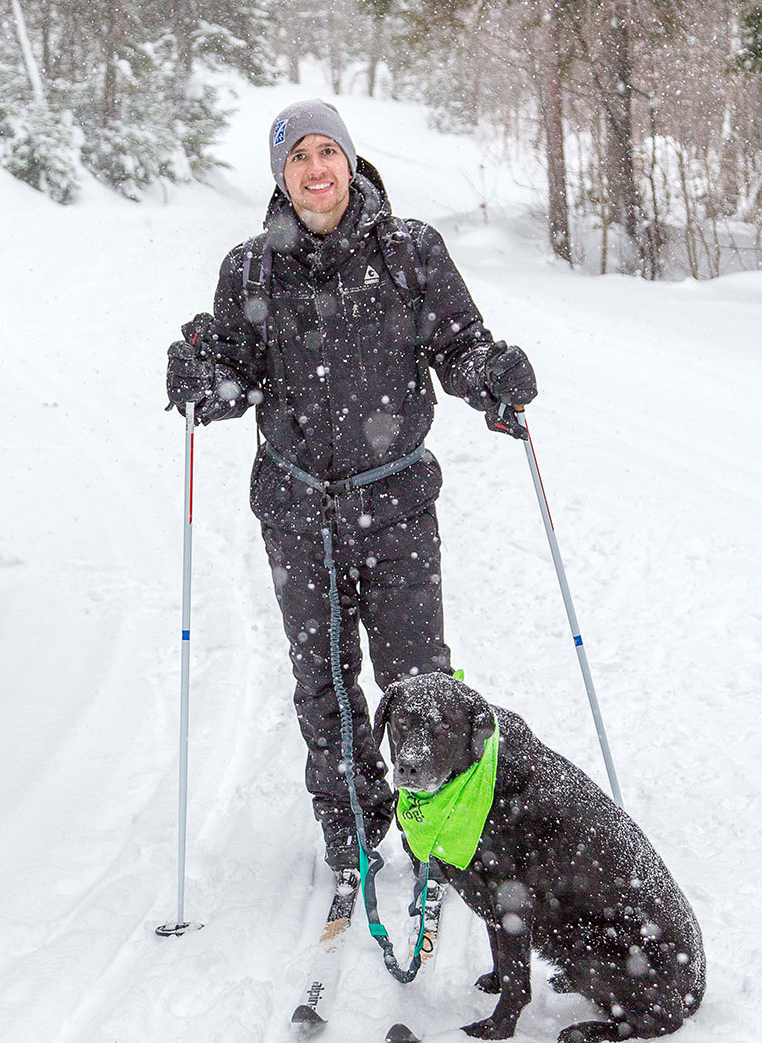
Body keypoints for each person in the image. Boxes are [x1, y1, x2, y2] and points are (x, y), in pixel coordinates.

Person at [166, 99, 537, 873]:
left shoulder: (410, 252)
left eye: (325, 151)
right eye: (298, 156)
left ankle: (442, 836)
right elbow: (234, 376)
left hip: (396, 502)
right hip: (297, 512)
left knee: (422, 686)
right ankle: (352, 830)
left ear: (349, 160)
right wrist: (202, 379)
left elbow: (459, 346)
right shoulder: (249, 268)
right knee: (324, 685)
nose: (315, 169)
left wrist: (494, 380)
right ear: (282, 176)